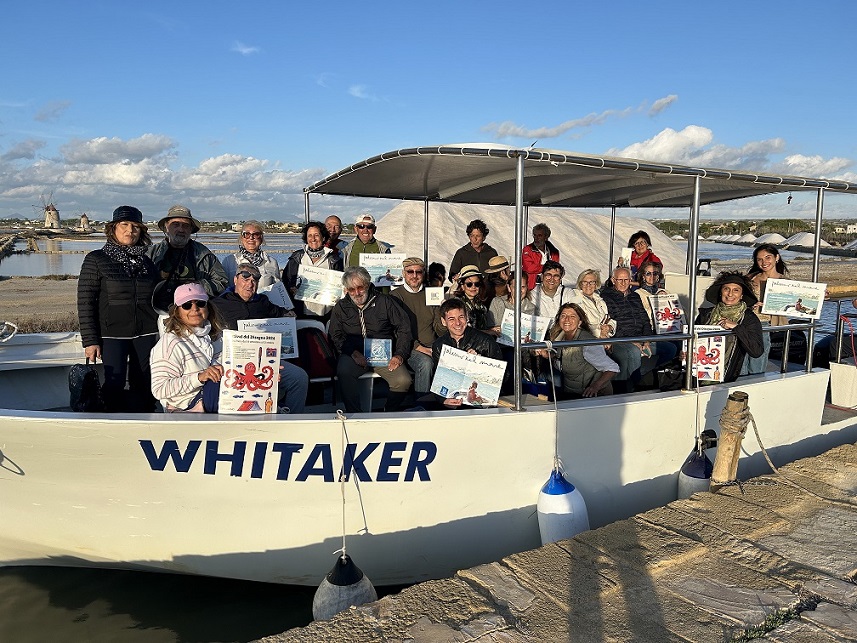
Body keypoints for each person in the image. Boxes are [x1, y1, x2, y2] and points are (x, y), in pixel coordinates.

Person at [77, 205, 160, 412]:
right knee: (114, 383)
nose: (129, 230)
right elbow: (85, 301)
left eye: (135, 226)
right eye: (124, 224)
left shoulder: (147, 262)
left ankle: (144, 422)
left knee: (144, 382)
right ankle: (111, 424)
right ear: (113, 228)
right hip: (112, 334)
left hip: (146, 332)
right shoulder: (96, 259)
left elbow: (158, 297)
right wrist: (90, 340)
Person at [211, 262, 309, 414]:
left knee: (300, 377)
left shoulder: (262, 302)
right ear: (235, 280)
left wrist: (290, 315)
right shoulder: (218, 303)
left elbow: (284, 314)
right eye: (245, 278)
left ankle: (292, 419)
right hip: (234, 362)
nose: (250, 283)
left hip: (264, 360)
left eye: (255, 280)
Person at [328, 267, 412, 412]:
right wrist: (352, 352)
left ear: (367, 284)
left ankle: (388, 412)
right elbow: (335, 335)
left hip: (383, 353)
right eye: (351, 289)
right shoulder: (341, 307)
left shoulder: (385, 302)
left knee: (403, 380)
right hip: (355, 354)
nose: (357, 293)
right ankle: (355, 415)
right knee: (344, 372)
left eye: (360, 287)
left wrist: (400, 354)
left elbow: (403, 327)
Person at [150, 283, 224, 412]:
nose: (194, 309)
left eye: (200, 303)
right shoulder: (170, 343)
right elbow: (159, 389)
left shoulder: (221, 337)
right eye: (186, 305)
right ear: (177, 312)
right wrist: (199, 377)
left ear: (208, 307)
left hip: (224, 397)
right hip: (188, 408)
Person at [601, 266, 675, 391]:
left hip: (640, 338)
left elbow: (645, 320)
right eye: (620, 280)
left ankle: (646, 373)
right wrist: (632, 341)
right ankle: (635, 387)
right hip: (620, 340)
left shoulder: (634, 296)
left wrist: (646, 339)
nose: (624, 283)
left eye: (627, 280)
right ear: (613, 280)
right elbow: (614, 322)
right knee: (633, 352)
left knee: (670, 348)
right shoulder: (607, 297)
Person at [148, 204, 228, 311]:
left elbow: (222, 282)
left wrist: (197, 287)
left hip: (194, 313)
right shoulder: (152, 254)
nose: (181, 229)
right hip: (159, 312)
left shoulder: (204, 254)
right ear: (166, 227)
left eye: (185, 225)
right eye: (175, 224)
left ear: (191, 229)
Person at [694, 271, 764, 383]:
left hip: (727, 378)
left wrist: (737, 327)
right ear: (720, 292)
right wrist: (685, 354)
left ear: (742, 295)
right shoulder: (705, 315)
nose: (730, 294)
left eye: (736, 290)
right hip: (697, 375)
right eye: (726, 289)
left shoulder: (749, 318)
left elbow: (756, 351)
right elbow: (692, 341)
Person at [433, 298, 504, 406]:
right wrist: (443, 400)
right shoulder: (439, 345)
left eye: (461, 317)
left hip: (481, 404)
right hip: (453, 403)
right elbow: (437, 379)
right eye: (451, 319)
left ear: (467, 317)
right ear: (443, 321)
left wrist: (480, 363)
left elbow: (504, 376)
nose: (457, 323)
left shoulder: (486, 341)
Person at [539, 303, 619, 398]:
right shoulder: (559, 337)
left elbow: (612, 368)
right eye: (563, 316)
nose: (567, 319)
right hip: (572, 392)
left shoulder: (587, 343)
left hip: (593, 396)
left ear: (580, 322)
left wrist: (595, 387)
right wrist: (548, 356)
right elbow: (564, 359)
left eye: (572, 316)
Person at [390, 257, 445, 395]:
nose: (414, 276)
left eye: (418, 272)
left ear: (424, 274)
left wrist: (442, 316)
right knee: (425, 363)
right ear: (404, 274)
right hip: (408, 348)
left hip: (433, 346)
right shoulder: (395, 296)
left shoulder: (431, 294)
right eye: (410, 272)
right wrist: (419, 347)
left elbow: (439, 329)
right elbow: (396, 331)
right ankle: (422, 404)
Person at [283, 221, 344, 322]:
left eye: (316, 235)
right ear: (306, 238)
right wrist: (291, 289)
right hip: (300, 313)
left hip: (326, 314)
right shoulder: (296, 258)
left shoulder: (334, 260)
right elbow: (286, 282)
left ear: (323, 237)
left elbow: (341, 286)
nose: (313, 239)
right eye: (310, 235)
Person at [742, 244, 789, 375]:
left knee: (757, 363)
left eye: (768, 257)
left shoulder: (785, 282)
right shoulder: (750, 278)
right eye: (759, 259)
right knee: (740, 363)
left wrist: (821, 296)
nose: (764, 262)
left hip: (763, 325)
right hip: (743, 324)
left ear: (777, 257)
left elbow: (799, 301)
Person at [221, 220, 281, 288]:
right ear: (241, 238)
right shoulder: (229, 261)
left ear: (261, 238)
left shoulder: (271, 262)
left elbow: (277, 289)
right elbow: (224, 288)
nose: (251, 238)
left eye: (256, 234)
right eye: (247, 234)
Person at [567, 269, 615, 340]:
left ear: (596, 284)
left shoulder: (600, 300)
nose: (588, 285)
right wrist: (600, 333)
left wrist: (609, 327)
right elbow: (580, 325)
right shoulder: (576, 299)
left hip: (604, 338)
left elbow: (607, 319)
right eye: (585, 282)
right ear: (580, 284)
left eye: (592, 282)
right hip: (587, 340)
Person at [447, 264, 493, 332]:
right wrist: (488, 332)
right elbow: (464, 331)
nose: (473, 287)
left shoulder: (480, 305)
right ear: (462, 286)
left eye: (477, 284)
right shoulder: (457, 304)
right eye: (469, 284)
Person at [531, 260, 572, 328]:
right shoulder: (532, 296)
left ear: (560, 279)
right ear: (542, 276)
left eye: (556, 276)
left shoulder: (568, 293)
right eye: (548, 275)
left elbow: (575, 316)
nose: (552, 279)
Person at [521, 223, 560, 290]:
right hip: (532, 286)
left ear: (546, 237)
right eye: (535, 235)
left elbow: (556, 269)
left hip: (548, 286)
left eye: (539, 235)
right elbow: (529, 268)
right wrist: (548, 268)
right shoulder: (528, 249)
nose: (536, 238)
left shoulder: (554, 252)